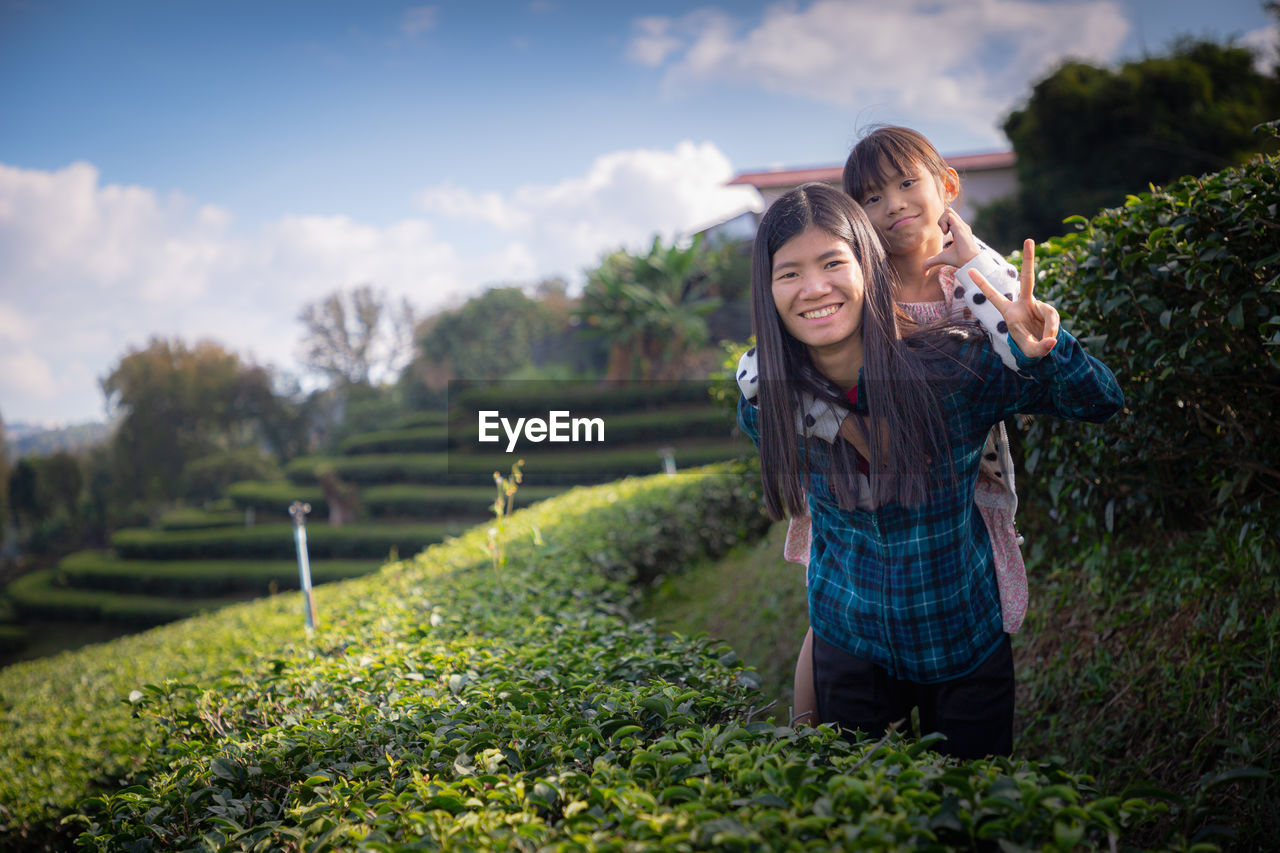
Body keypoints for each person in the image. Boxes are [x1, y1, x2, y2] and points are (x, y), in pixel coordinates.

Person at [737, 182, 1122, 758]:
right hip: (849, 646)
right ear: (767, 292)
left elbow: (1100, 401)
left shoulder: (956, 365)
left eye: (833, 263)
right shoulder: (767, 402)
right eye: (788, 273)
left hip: (964, 642)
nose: (814, 288)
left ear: (869, 267)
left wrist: (1041, 341)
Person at [741, 126, 1029, 727]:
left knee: (961, 565)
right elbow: (761, 378)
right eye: (872, 197)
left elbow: (1021, 338)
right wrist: (846, 427)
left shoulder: (975, 268)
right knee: (841, 597)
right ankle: (806, 727)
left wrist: (976, 265)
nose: (893, 204)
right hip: (860, 471)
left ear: (946, 186)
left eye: (906, 184)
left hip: (957, 455)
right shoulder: (865, 284)